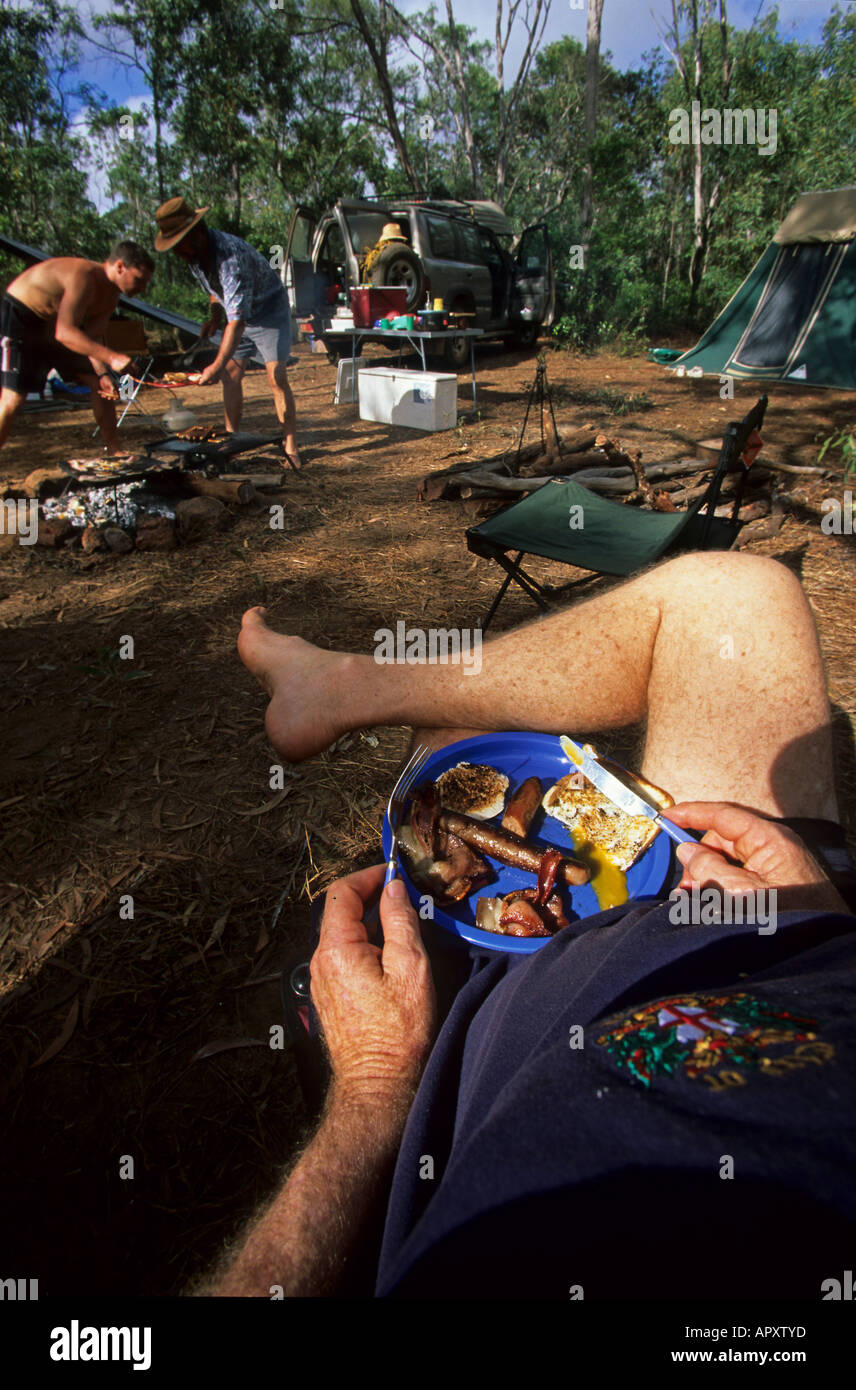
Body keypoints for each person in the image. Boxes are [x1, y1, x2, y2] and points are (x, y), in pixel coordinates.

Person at [204, 551, 856, 1298]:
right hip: (774, 936)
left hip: (556, 1016)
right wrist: (829, 940)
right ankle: (343, 685)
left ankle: (340, 688)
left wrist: (376, 1089)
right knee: (738, 593)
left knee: (444, 741)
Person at [153, 196, 302, 470]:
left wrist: (215, 364)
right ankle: (230, 441)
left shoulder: (230, 257)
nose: (177, 252)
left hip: (268, 310)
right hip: (239, 316)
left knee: (276, 376)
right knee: (231, 375)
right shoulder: (195, 256)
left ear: (196, 233)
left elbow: (238, 321)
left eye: (179, 244)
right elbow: (216, 291)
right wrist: (214, 317)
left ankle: (290, 445)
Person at [0, 241, 154, 455]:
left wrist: (102, 373)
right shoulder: (84, 276)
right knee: (13, 398)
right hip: (22, 316)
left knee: (101, 385)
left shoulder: (111, 295)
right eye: (139, 280)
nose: (142, 288)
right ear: (120, 267)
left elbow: (92, 337)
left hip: (54, 327)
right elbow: (65, 333)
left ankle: (115, 451)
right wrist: (113, 358)